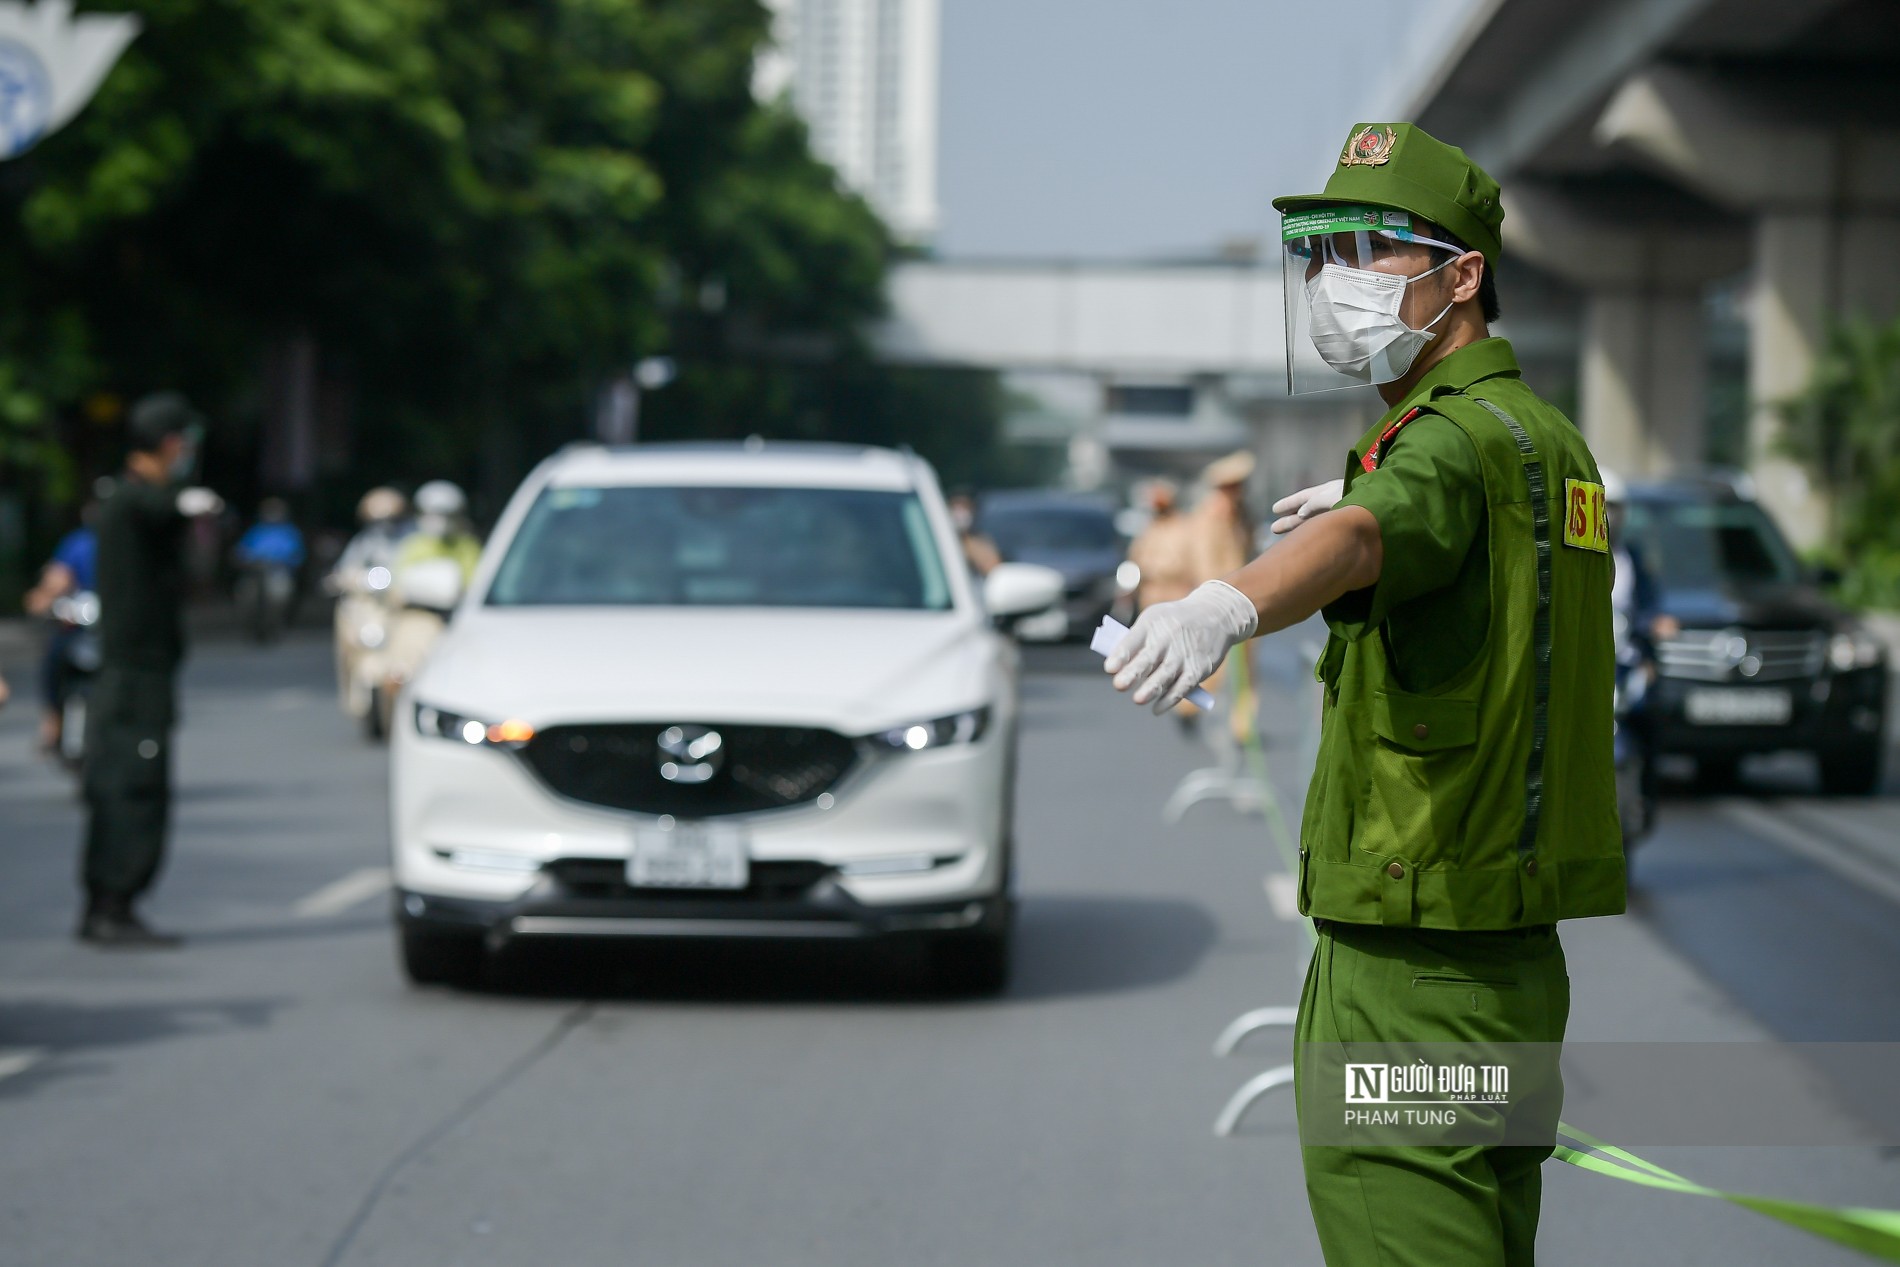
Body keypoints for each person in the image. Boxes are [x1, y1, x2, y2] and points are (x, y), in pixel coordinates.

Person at [1104, 122, 1623, 1265]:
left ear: (1463, 275)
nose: (1329, 283)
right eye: (1319, 253)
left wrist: (1222, 604)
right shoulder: (1549, 443)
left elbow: (1357, 536)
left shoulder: (1442, 450)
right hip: (1509, 971)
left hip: (1408, 973)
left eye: (1366, 249)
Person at [80, 392, 224, 947]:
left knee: (128, 785)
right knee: (131, 789)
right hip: (133, 675)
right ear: (169, 444)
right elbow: (161, 508)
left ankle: (110, 904)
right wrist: (191, 503)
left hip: (143, 672)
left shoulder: (138, 501)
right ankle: (111, 904)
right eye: (183, 443)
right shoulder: (134, 501)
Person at [23, 495, 101, 754]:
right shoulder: (79, 543)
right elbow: (57, 578)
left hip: (118, 625)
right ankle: (53, 720)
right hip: (82, 624)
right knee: (54, 658)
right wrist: (43, 599)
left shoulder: (131, 541)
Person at [1125, 480, 1197, 611]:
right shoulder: (1149, 528)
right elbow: (1135, 557)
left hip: (1177, 591)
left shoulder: (1185, 526)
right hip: (1151, 591)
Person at [394, 480, 481, 582]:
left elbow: (474, 581)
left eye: (446, 515)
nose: (439, 520)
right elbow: (399, 580)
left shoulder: (468, 546)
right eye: (431, 513)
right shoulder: (412, 544)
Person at [946, 491, 1001, 577]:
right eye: (955, 507)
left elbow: (995, 572)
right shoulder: (936, 541)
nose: (960, 513)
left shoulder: (981, 543)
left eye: (964, 507)